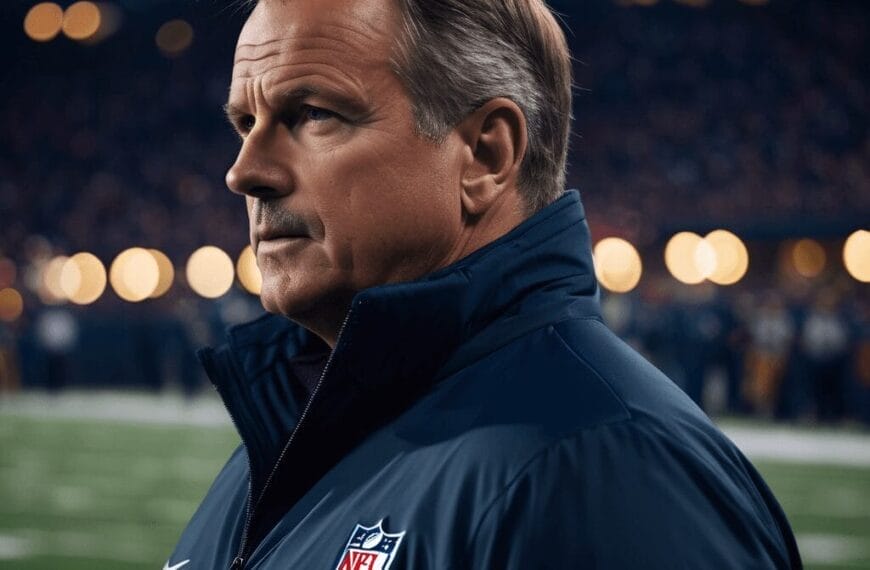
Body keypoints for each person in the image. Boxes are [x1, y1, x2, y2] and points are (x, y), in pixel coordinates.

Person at [168, 0, 801, 568]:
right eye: (245, 123)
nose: (244, 171)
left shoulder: (602, 468)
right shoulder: (294, 435)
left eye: (312, 115)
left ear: (485, 157)